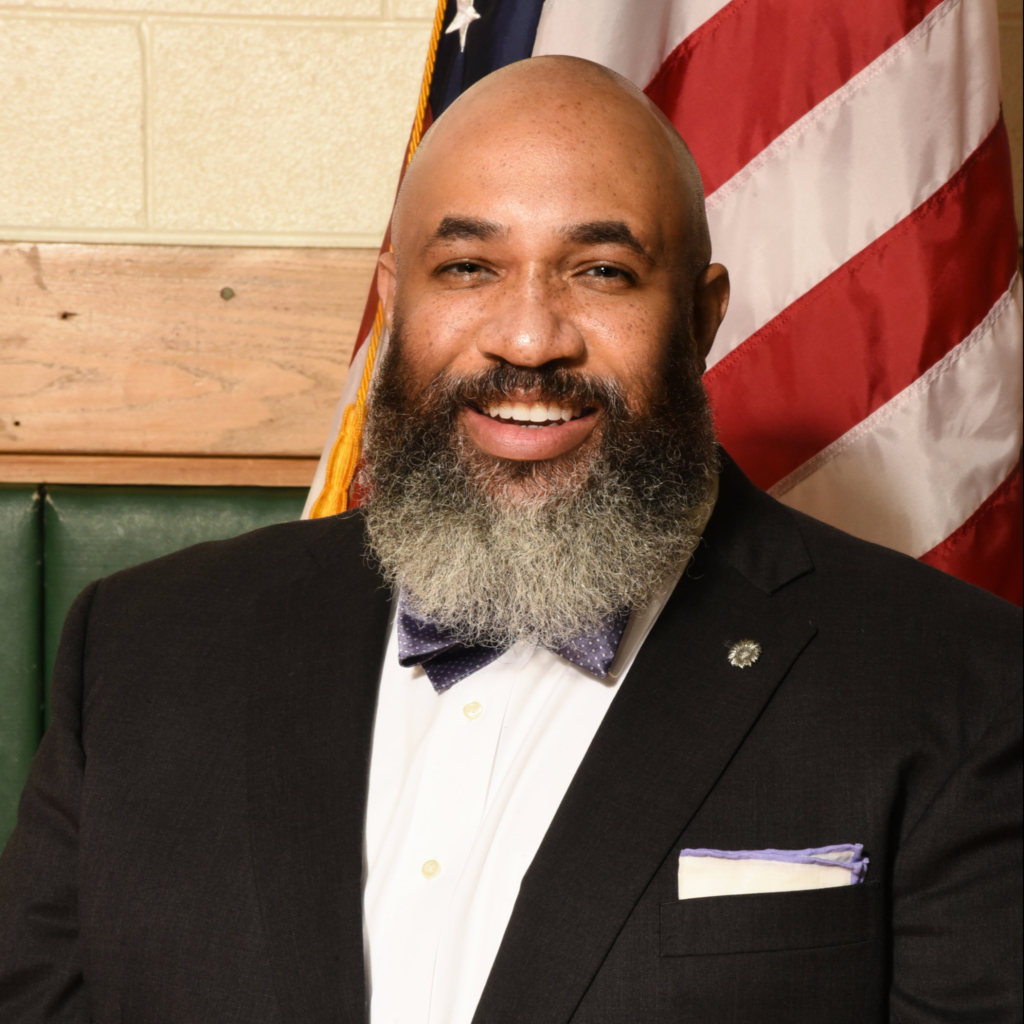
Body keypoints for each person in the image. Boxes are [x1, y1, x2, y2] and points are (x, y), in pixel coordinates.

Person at [0, 56, 1019, 1024]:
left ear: (701, 319)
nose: (528, 339)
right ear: (397, 301)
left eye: (603, 271)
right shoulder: (144, 647)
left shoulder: (953, 681)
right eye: (469, 265)